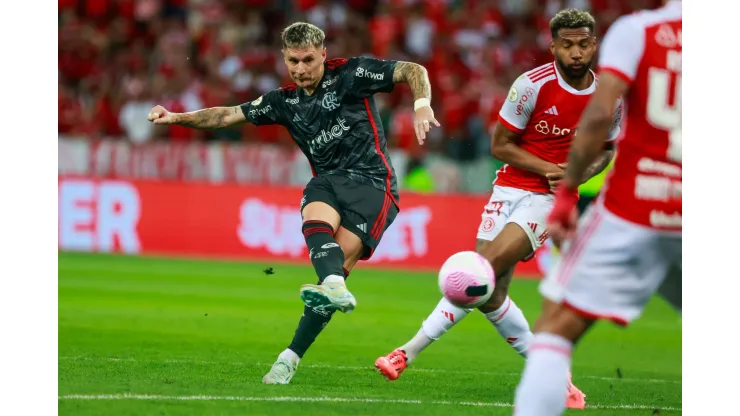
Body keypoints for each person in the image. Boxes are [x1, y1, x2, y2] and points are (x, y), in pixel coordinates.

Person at [146, 22, 440, 384]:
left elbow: (413, 70)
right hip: (329, 182)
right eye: (292, 61)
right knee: (314, 207)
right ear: (284, 59)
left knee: (330, 278)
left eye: (307, 60)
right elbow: (226, 115)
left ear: (322, 55)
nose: (300, 69)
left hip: (373, 185)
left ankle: (291, 355)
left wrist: (422, 105)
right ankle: (325, 295)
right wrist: (174, 117)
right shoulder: (283, 101)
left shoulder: (351, 74)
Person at [374, 9, 623, 410]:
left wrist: (576, 176)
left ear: (593, 45)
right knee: (490, 295)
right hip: (508, 188)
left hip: (548, 200)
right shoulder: (530, 86)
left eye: (583, 44)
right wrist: (552, 168)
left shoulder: (609, 95)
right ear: (554, 46)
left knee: (479, 271)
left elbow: (608, 148)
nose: (576, 52)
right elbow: (500, 145)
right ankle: (561, 382)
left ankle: (407, 352)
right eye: (567, 45)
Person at [512, 1, 682, 414]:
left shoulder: (638, 31)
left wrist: (567, 192)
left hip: (634, 208)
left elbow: (599, 114)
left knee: (555, 327)